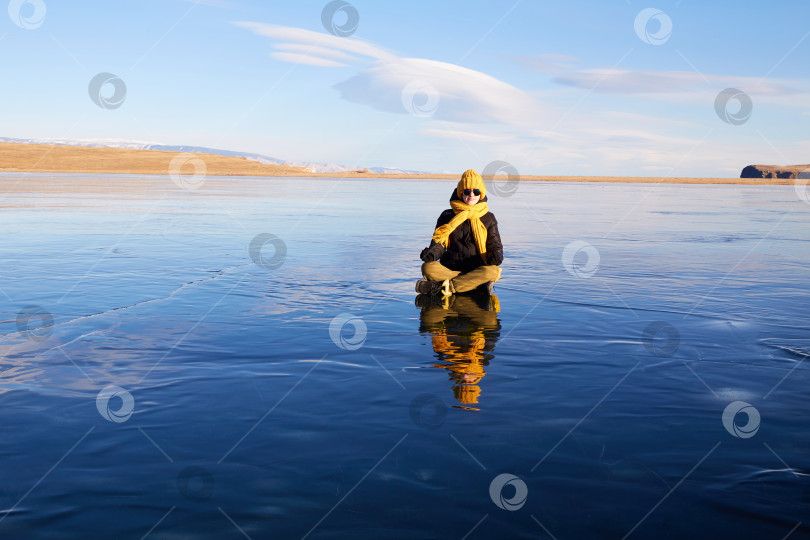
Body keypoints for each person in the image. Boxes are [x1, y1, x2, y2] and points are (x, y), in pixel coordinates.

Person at [415, 169, 503, 296]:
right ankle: (474, 286)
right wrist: (431, 253)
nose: (472, 194)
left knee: (493, 271)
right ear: (461, 193)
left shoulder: (488, 217)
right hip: (450, 269)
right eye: (467, 191)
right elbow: (439, 243)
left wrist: (496, 255)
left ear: (481, 194)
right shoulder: (447, 215)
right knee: (428, 267)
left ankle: (444, 287)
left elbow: (495, 244)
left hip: (476, 270)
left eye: (476, 191)